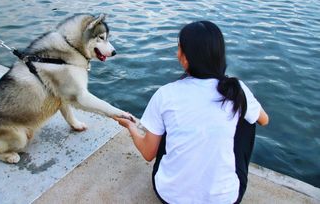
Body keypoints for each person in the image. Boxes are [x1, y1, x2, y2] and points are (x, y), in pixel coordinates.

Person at [113, 21, 269, 204]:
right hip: (225, 200)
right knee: (247, 116)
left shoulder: (166, 93)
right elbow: (264, 120)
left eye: (178, 48)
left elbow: (149, 153)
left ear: (185, 58)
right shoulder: (236, 89)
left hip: (170, 197)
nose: (176, 52)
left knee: (168, 123)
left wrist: (131, 126)